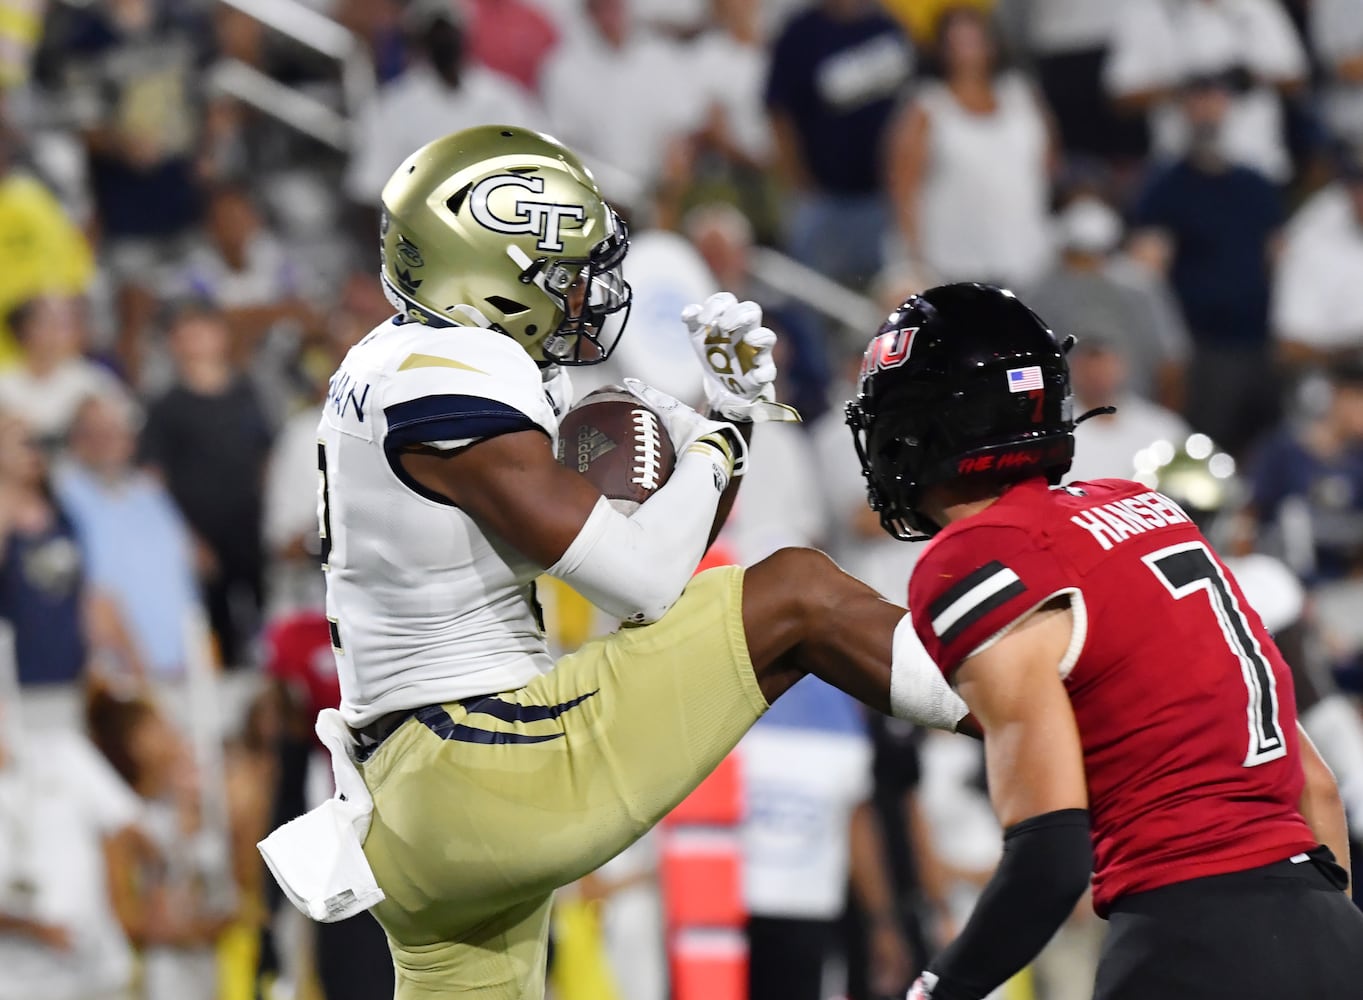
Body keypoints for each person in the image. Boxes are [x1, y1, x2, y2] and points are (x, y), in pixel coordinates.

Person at [260, 125, 973, 1000]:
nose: (584, 295)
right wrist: (718, 436)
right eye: (562, 273)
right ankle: (1046, 716)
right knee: (797, 594)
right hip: (467, 769)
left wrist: (726, 423)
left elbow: (628, 563)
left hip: (413, 801)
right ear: (489, 273)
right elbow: (643, 582)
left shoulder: (394, 360)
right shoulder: (447, 367)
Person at [846, 283, 1363, 1000]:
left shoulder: (978, 554)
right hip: (1330, 930)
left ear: (926, 428)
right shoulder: (1145, 507)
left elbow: (1050, 853)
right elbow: (1315, 790)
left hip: (1187, 938)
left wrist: (937, 988)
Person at [885, 5, 1055, 289]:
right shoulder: (927, 106)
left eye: (974, 40)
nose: (967, 51)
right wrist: (914, 259)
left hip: (1026, 256)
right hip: (955, 263)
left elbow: (1047, 164)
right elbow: (903, 187)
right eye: (957, 42)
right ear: (941, 49)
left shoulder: (1021, 95)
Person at [1064, 333, 1188, 483]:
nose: (1098, 377)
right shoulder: (1059, 433)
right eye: (1089, 369)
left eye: (1105, 367)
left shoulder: (1162, 427)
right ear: (1074, 372)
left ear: (1121, 368)